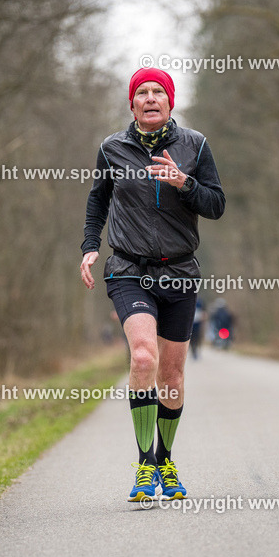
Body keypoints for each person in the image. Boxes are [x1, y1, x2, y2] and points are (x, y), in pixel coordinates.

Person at [80, 67, 225, 501]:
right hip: (128, 269)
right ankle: (145, 464)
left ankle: (165, 459)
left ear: (170, 101)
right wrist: (90, 244)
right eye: (141, 92)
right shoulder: (112, 148)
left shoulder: (195, 145)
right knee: (143, 357)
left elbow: (216, 204)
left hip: (179, 272)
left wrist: (185, 183)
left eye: (157, 92)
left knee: (172, 378)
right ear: (132, 104)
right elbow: (97, 199)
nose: (149, 98)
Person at [190, 296, 206, 360]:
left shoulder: (200, 302)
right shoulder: (188, 300)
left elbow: (204, 313)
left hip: (198, 325)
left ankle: (196, 351)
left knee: (197, 339)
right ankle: (193, 351)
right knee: (191, 340)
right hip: (190, 325)